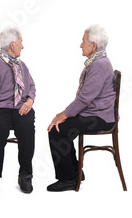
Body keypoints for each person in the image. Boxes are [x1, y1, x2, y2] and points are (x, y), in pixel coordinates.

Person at [45, 24, 116, 192]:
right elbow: (85, 98)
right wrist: (64, 114)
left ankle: (68, 179)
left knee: (57, 129)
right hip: (97, 113)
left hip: (101, 118)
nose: (80, 45)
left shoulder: (100, 64)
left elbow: (84, 99)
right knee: (61, 127)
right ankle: (76, 172)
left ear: (93, 45)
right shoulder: (97, 61)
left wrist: (62, 115)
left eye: (83, 41)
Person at [0, 26, 36, 196]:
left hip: (19, 107)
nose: (22, 46)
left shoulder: (21, 65)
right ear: (12, 45)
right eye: (20, 43)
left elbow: (32, 86)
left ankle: (25, 175)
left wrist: (30, 100)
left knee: (26, 128)